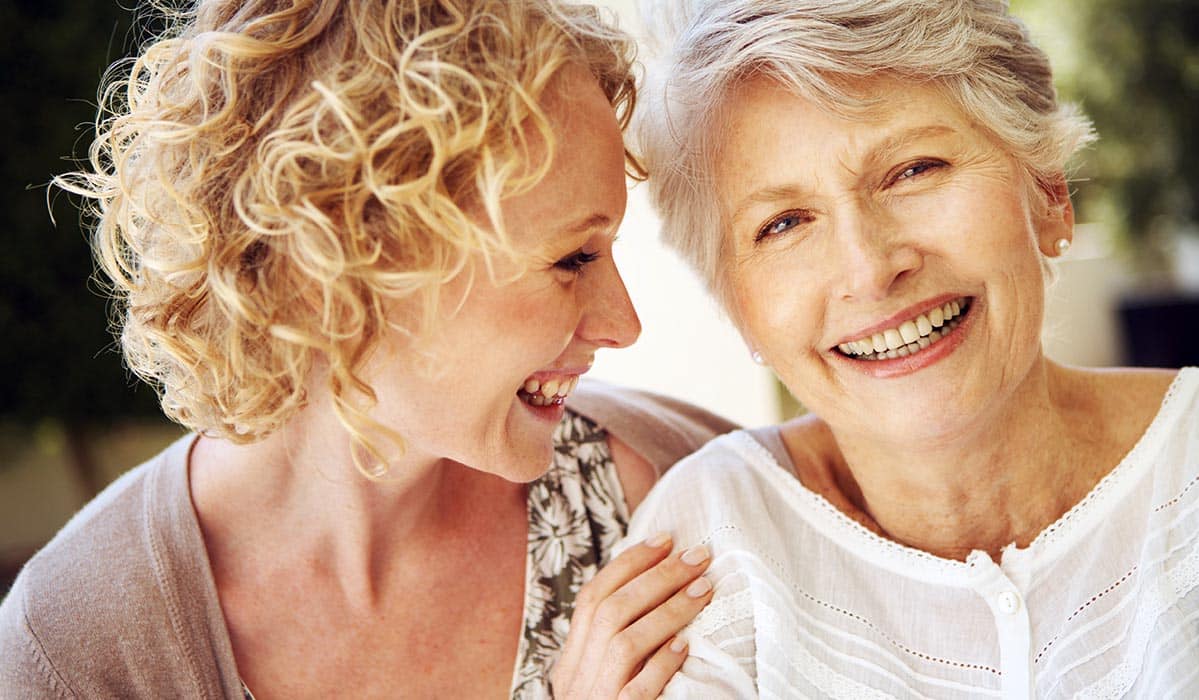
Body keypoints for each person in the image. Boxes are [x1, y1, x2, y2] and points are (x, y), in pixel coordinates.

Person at [0, 1, 738, 697]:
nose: (623, 323)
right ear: (343, 270)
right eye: (572, 259)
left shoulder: (688, 497)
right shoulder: (76, 653)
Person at [624, 0, 1198, 696]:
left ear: (1047, 193)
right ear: (735, 307)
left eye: (912, 170)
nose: (868, 268)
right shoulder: (709, 538)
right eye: (782, 224)